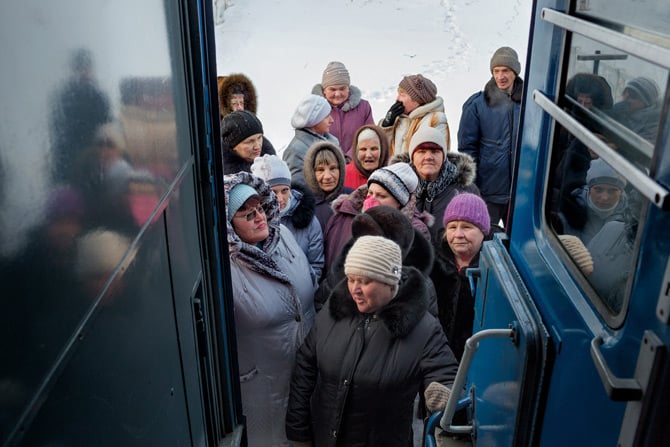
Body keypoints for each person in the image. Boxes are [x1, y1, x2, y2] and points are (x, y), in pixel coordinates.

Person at [286, 235, 459, 447]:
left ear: (390, 281)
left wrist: (444, 393)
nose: (354, 289)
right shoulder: (335, 309)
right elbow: (305, 365)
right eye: (351, 279)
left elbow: (444, 372)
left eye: (365, 281)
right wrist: (299, 432)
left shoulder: (424, 328)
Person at [224, 172, 316, 446]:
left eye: (260, 208)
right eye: (248, 215)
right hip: (260, 390)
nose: (260, 217)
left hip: (306, 375)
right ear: (228, 224)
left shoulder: (283, 235)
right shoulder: (225, 264)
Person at [315, 205, 437, 317]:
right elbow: (320, 308)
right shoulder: (344, 270)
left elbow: (425, 332)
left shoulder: (420, 288)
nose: (354, 289)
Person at [458, 46, 524, 228]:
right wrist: (473, 188)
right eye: (496, 71)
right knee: (483, 238)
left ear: (515, 72)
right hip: (488, 191)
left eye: (506, 71)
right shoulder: (477, 105)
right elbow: (467, 151)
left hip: (522, 193)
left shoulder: (529, 103)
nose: (501, 76)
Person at [323, 162, 432, 270]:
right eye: (370, 193)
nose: (372, 199)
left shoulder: (416, 231)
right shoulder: (344, 214)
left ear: (399, 202)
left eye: (381, 196)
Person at [430, 193, 492, 361]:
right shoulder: (432, 263)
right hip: (435, 356)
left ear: (483, 231)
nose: (458, 234)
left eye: (466, 227)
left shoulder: (497, 269)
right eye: (452, 227)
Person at [251, 154, 324, 281]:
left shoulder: (309, 221)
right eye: (273, 192)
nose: (280, 198)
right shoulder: (252, 221)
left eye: (285, 190)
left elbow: (316, 265)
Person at [49, 48, 111, 183]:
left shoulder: (98, 97)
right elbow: (58, 131)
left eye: (87, 67)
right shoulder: (65, 97)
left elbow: (105, 129)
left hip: (92, 162)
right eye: (80, 67)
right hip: (68, 161)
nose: (84, 71)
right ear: (74, 70)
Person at [409, 126, 479, 243]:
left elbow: (478, 233)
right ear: (412, 157)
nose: (428, 157)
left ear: (444, 156)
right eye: (421, 151)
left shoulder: (466, 190)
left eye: (435, 151)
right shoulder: (400, 189)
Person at [311, 61, 375, 159]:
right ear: (324, 90)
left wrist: (349, 157)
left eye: (342, 89)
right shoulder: (314, 109)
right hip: (325, 166)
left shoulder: (363, 107)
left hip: (357, 164)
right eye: (332, 89)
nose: (337, 94)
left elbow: (369, 136)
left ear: (348, 88)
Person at [558, 158, 628, 245]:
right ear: (589, 189)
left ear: (621, 192)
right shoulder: (567, 213)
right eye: (598, 190)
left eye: (612, 191)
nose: (604, 198)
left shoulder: (631, 218)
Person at [378, 73, 451, 156]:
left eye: (402, 95)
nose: (397, 99)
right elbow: (382, 153)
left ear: (417, 100)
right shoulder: (399, 120)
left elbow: (434, 158)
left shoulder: (435, 120)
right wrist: (387, 125)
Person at [283, 94, 338, 185]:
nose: (332, 120)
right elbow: (298, 187)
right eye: (326, 117)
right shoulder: (295, 151)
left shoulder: (332, 142)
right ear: (314, 120)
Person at [301, 140, 350, 233]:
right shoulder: (302, 205)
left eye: (333, 168)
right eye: (320, 170)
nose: (327, 176)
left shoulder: (353, 198)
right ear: (311, 173)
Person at [221, 110, 276, 175]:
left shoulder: (271, 160)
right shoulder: (228, 179)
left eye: (259, 137)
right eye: (250, 142)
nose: (257, 146)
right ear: (233, 146)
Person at [612, 76, 662, 143]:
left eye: (633, 95)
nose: (626, 97)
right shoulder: (623, 111)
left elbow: (636, 147)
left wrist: (623, 122)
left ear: (645, 103)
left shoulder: (653, 127)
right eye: (625, 92)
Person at [343, 124, 390, 189]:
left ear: (383, 150)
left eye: (374, 149)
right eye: (363, 149)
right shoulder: (343, 175)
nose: (368, 155)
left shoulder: (393, 177)